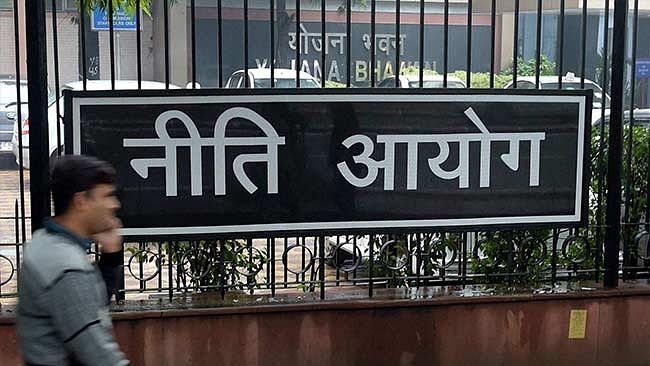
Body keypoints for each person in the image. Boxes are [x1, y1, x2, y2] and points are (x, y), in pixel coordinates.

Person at [17, 155, 130, 366]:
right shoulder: (65, 266)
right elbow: (97, 352)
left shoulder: (45, 243)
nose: (114, 204)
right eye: (106, 196)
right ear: (81, 201)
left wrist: (110, 254)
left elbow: (86, 306)